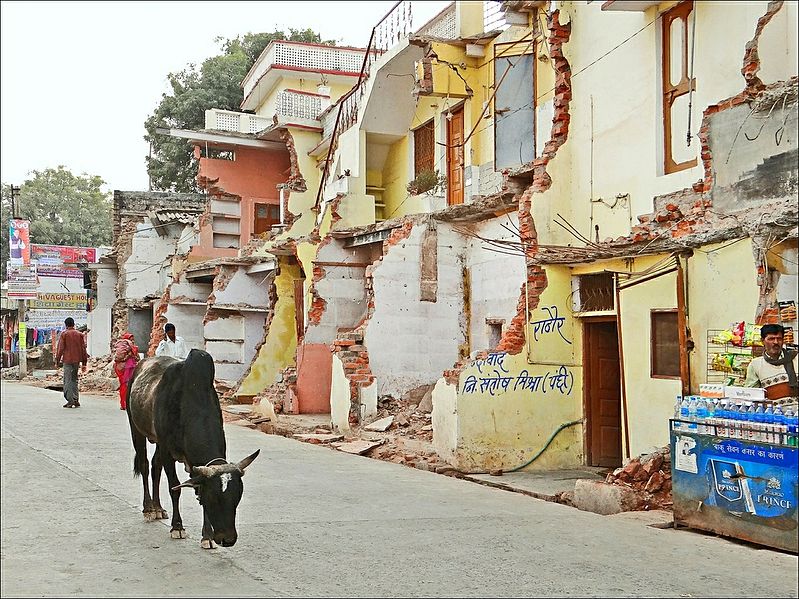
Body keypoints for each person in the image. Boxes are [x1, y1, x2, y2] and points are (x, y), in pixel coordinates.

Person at [745, 323, 798, 401]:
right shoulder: (755, 365)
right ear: (762, 341)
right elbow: (751, 394)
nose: (776, 342)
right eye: (771, 339)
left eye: (779, 339)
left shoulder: (796, 358)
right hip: (771, 412)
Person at [55, 317, 88, 408]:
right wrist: (84, 363)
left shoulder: (64, 334)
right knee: (74, 380)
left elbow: (60, 349)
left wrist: (57, 360)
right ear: (73, 324)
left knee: (68, 381)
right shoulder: (79, 334)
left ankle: (70, 400)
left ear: (66, 325)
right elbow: (83, 349)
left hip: (67, 360)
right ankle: (76, 399)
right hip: (77, 360)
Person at [113, 332, 140, 411]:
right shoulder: (131, 347)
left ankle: (122, 404)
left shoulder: (119, 346)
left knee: (122, 385)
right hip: (128, 367)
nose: (133, 340)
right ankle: (127, 403)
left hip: (119, 367)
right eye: (132, 339)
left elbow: (115, 358)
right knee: (128, 385)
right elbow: (137, 357)